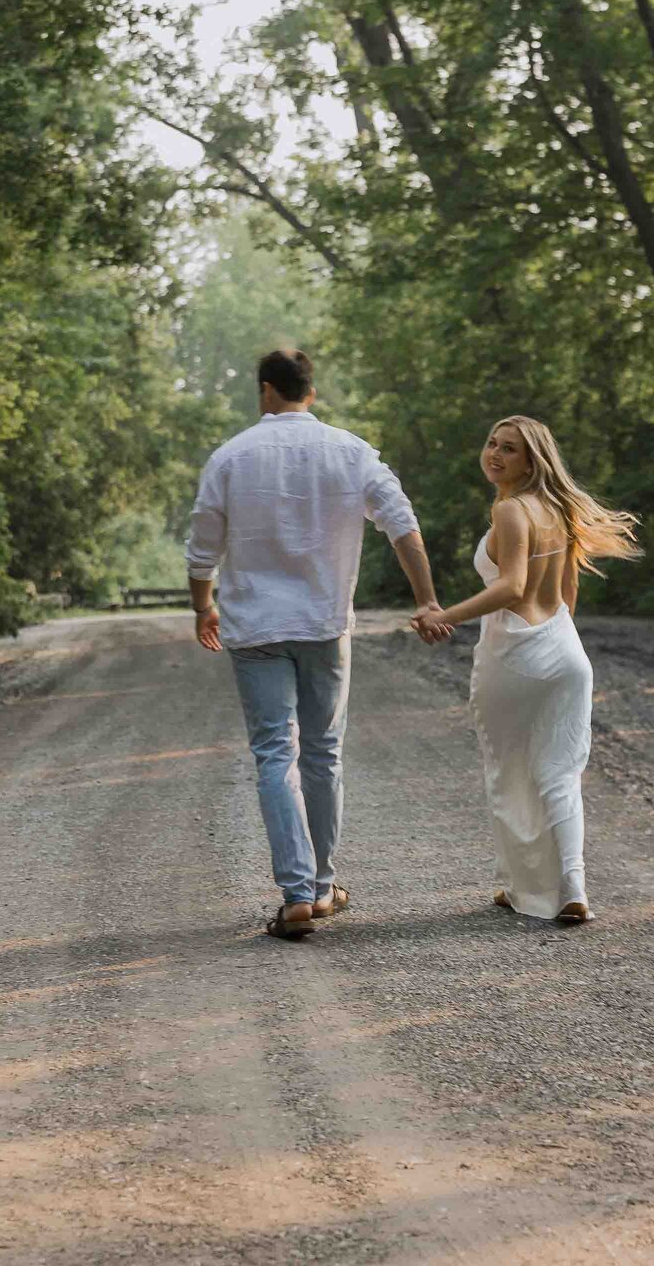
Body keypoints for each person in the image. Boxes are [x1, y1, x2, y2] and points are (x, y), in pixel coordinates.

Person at [186, 348, 444, 941]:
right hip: (326, 625)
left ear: (265, 391)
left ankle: (297, 892)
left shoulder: (230, 457)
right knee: (323, 752)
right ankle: (323, 887)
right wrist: (426, 598)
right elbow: (402, 525)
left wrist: (204, 606)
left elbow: (202, 548)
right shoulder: (351, 452)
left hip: (254, 629)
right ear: (311, 392)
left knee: (276, 754)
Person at [414, 417, 639, 924]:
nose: (495, 454)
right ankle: (572, 889)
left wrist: (443, 615)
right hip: (564, 653)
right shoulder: (558, 509)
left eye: (509, 449)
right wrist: (558, 645)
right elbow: (567, 593)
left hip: (515, 655)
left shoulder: (512, 510)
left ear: (532, 460)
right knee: (560, 775)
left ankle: (525, 889)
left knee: (509, 770)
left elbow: (513, 587)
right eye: (492, 443)